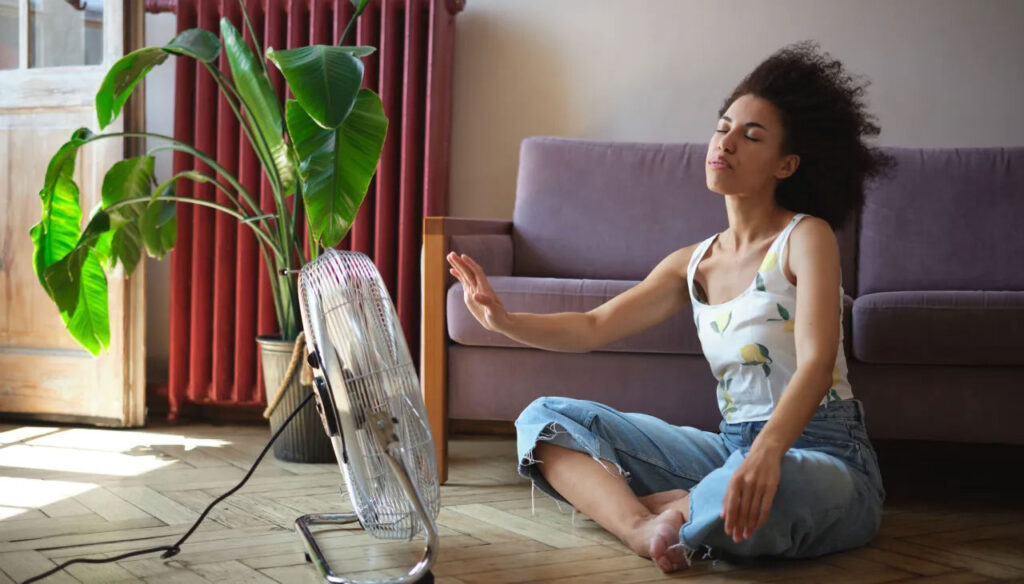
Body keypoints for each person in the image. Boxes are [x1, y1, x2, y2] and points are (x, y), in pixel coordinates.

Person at [445, 40, 895, 573]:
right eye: (723, 127)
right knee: (543, 420)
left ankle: (674, 507)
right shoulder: (692, 262)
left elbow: (817, 363)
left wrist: (767, 454)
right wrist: (503, 321)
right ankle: (643, 527)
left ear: (786, 164)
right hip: (729, 448)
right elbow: (594, 325)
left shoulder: (805, 237)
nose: (725, 142)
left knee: (766, 487)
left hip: (822, 453)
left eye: (751, 136)